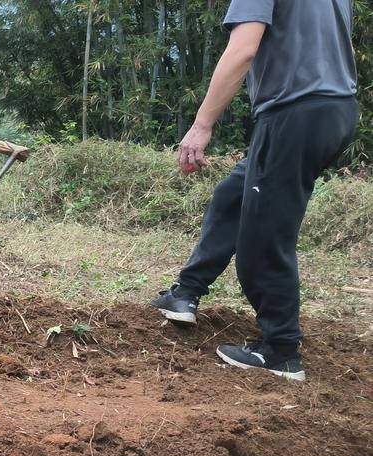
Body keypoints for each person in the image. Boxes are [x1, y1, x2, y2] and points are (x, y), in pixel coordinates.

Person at [151, 0, 358, 381]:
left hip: (294, 113)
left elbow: (243, 49)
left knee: (263, 238)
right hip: (336, 109)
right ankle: (186, 292)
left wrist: (201, 124)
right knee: (233, 196)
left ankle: (281, 351)